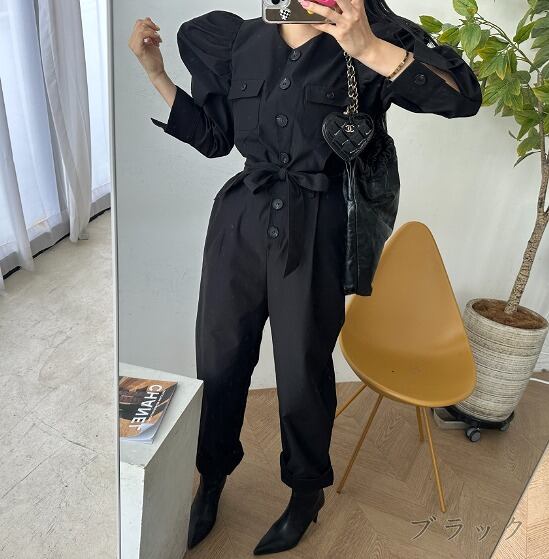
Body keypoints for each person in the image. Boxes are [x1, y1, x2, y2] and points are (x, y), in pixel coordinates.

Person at [128, 0, 482, 554]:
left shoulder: (374, 36)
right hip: (241, 222)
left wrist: (368, 48)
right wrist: (157, 75)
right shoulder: (236, 38)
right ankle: (210, 480)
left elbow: (462, 99)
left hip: (318, 225)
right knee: (219, 361)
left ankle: (305, 492)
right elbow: (216, 139)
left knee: (301, 370)